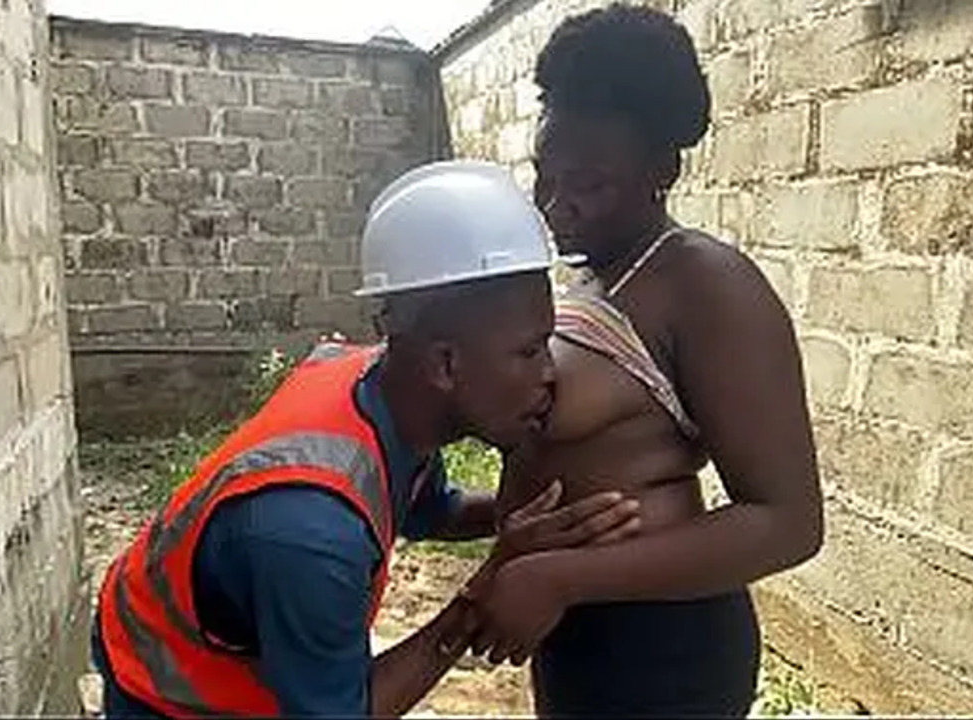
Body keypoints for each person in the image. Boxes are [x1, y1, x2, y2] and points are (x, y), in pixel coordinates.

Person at [89, 160, 642, 718]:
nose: (551, 374)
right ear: (445, 364)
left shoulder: (388, 394)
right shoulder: (310, 534)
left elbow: (431, 511)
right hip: (166, 692)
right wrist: (484, 589)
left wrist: (526, 518)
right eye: (529, 351)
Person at [459, 5, 824, 717]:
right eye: (544, 175)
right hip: (576, 635)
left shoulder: (705, 284)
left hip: (663, 650)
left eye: (589, 185)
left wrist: (561, 578)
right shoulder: (593, 276)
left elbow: (788, 522)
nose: (556, 207)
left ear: (664, 169)